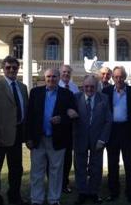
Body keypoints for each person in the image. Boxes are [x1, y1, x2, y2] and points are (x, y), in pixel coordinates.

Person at [26, 68, 77, 205]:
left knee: (56, 172)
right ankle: (37, 199)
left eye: (54, 76)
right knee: (37, 171)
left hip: (57, 139)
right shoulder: (35, 93)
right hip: (38, 139)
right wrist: (28, 138)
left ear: (59, 77)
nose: (51, 79)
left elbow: (73, 116)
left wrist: (62, 119)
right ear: (45, 77)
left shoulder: (67, 94)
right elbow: (29, 117)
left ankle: (54, 199)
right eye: (48, 76)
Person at [0, 55, 29, 205]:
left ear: (18, 69)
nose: (11, 70)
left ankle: (14, 197)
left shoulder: (23, 88)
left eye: (14, 67)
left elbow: (25, 111)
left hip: (16, 136)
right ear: (3, 69)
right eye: (8, 67)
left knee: (16, 170)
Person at [73, 75, 112, 205]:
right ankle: (82, 193)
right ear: (82, 86)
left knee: (96, 167)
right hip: (80, 138)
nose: (89, 89)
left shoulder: (104, 99)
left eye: (92, 86)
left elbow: (108, 121)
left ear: (96, 87)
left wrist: (103, 139)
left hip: (98, 139)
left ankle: (94, 192)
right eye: (86, 86)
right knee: (80, 167)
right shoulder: (75, 98)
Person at [102, 66, 131, 203]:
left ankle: (130, 192)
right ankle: (113, 191)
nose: (119, 79)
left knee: (129, 163)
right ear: (113, 78)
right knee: (112, 163)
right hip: (112, 131)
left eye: (121, 76)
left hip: (127, 131)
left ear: (125, 77)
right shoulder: (106, 91)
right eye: (116, 77)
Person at [58, 64, 79, 194]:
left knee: (67, 158)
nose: (66, 74)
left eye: (68, 72)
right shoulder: (55, 84)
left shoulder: (74, 87)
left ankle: (65, 183)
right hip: (57, 127)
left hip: (70, 128)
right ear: (60, 73)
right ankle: (56, 183)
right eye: (64, 72)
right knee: (56, 159)